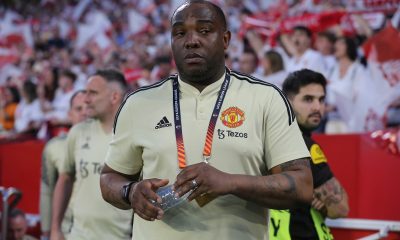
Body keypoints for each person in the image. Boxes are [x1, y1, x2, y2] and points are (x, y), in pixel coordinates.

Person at [100, 1, 312, 240]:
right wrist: (130, 192)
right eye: (180, 33)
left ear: (225, 40)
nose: (191, 41)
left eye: (204, 30)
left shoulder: (265, 98)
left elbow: (302, 185)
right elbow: (109, 177)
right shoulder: (138, 103)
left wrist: (229, 182)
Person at [50, 69, 132, 240]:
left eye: (92, 93)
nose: (86, 99)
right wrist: (55, 228)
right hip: (78, 235)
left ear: (114, 97)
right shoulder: (78, 132)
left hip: (122, 236)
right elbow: (65, 179)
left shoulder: (134, 135)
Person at [269, 69, 349, 240]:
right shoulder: (304, 145)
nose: (317, 107)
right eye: (308, 99)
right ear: (287, 102)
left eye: (321, 100)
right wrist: (315, 198)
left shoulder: (268, 138)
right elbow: (340, 207)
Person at [39, 90, 87, 239]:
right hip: (66, 230)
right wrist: (47, 230)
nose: (84, 113)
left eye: (88, 108)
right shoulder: (54, 147)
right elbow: (47, 190)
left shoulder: (111, 143)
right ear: (69, 113)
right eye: (78, 109)